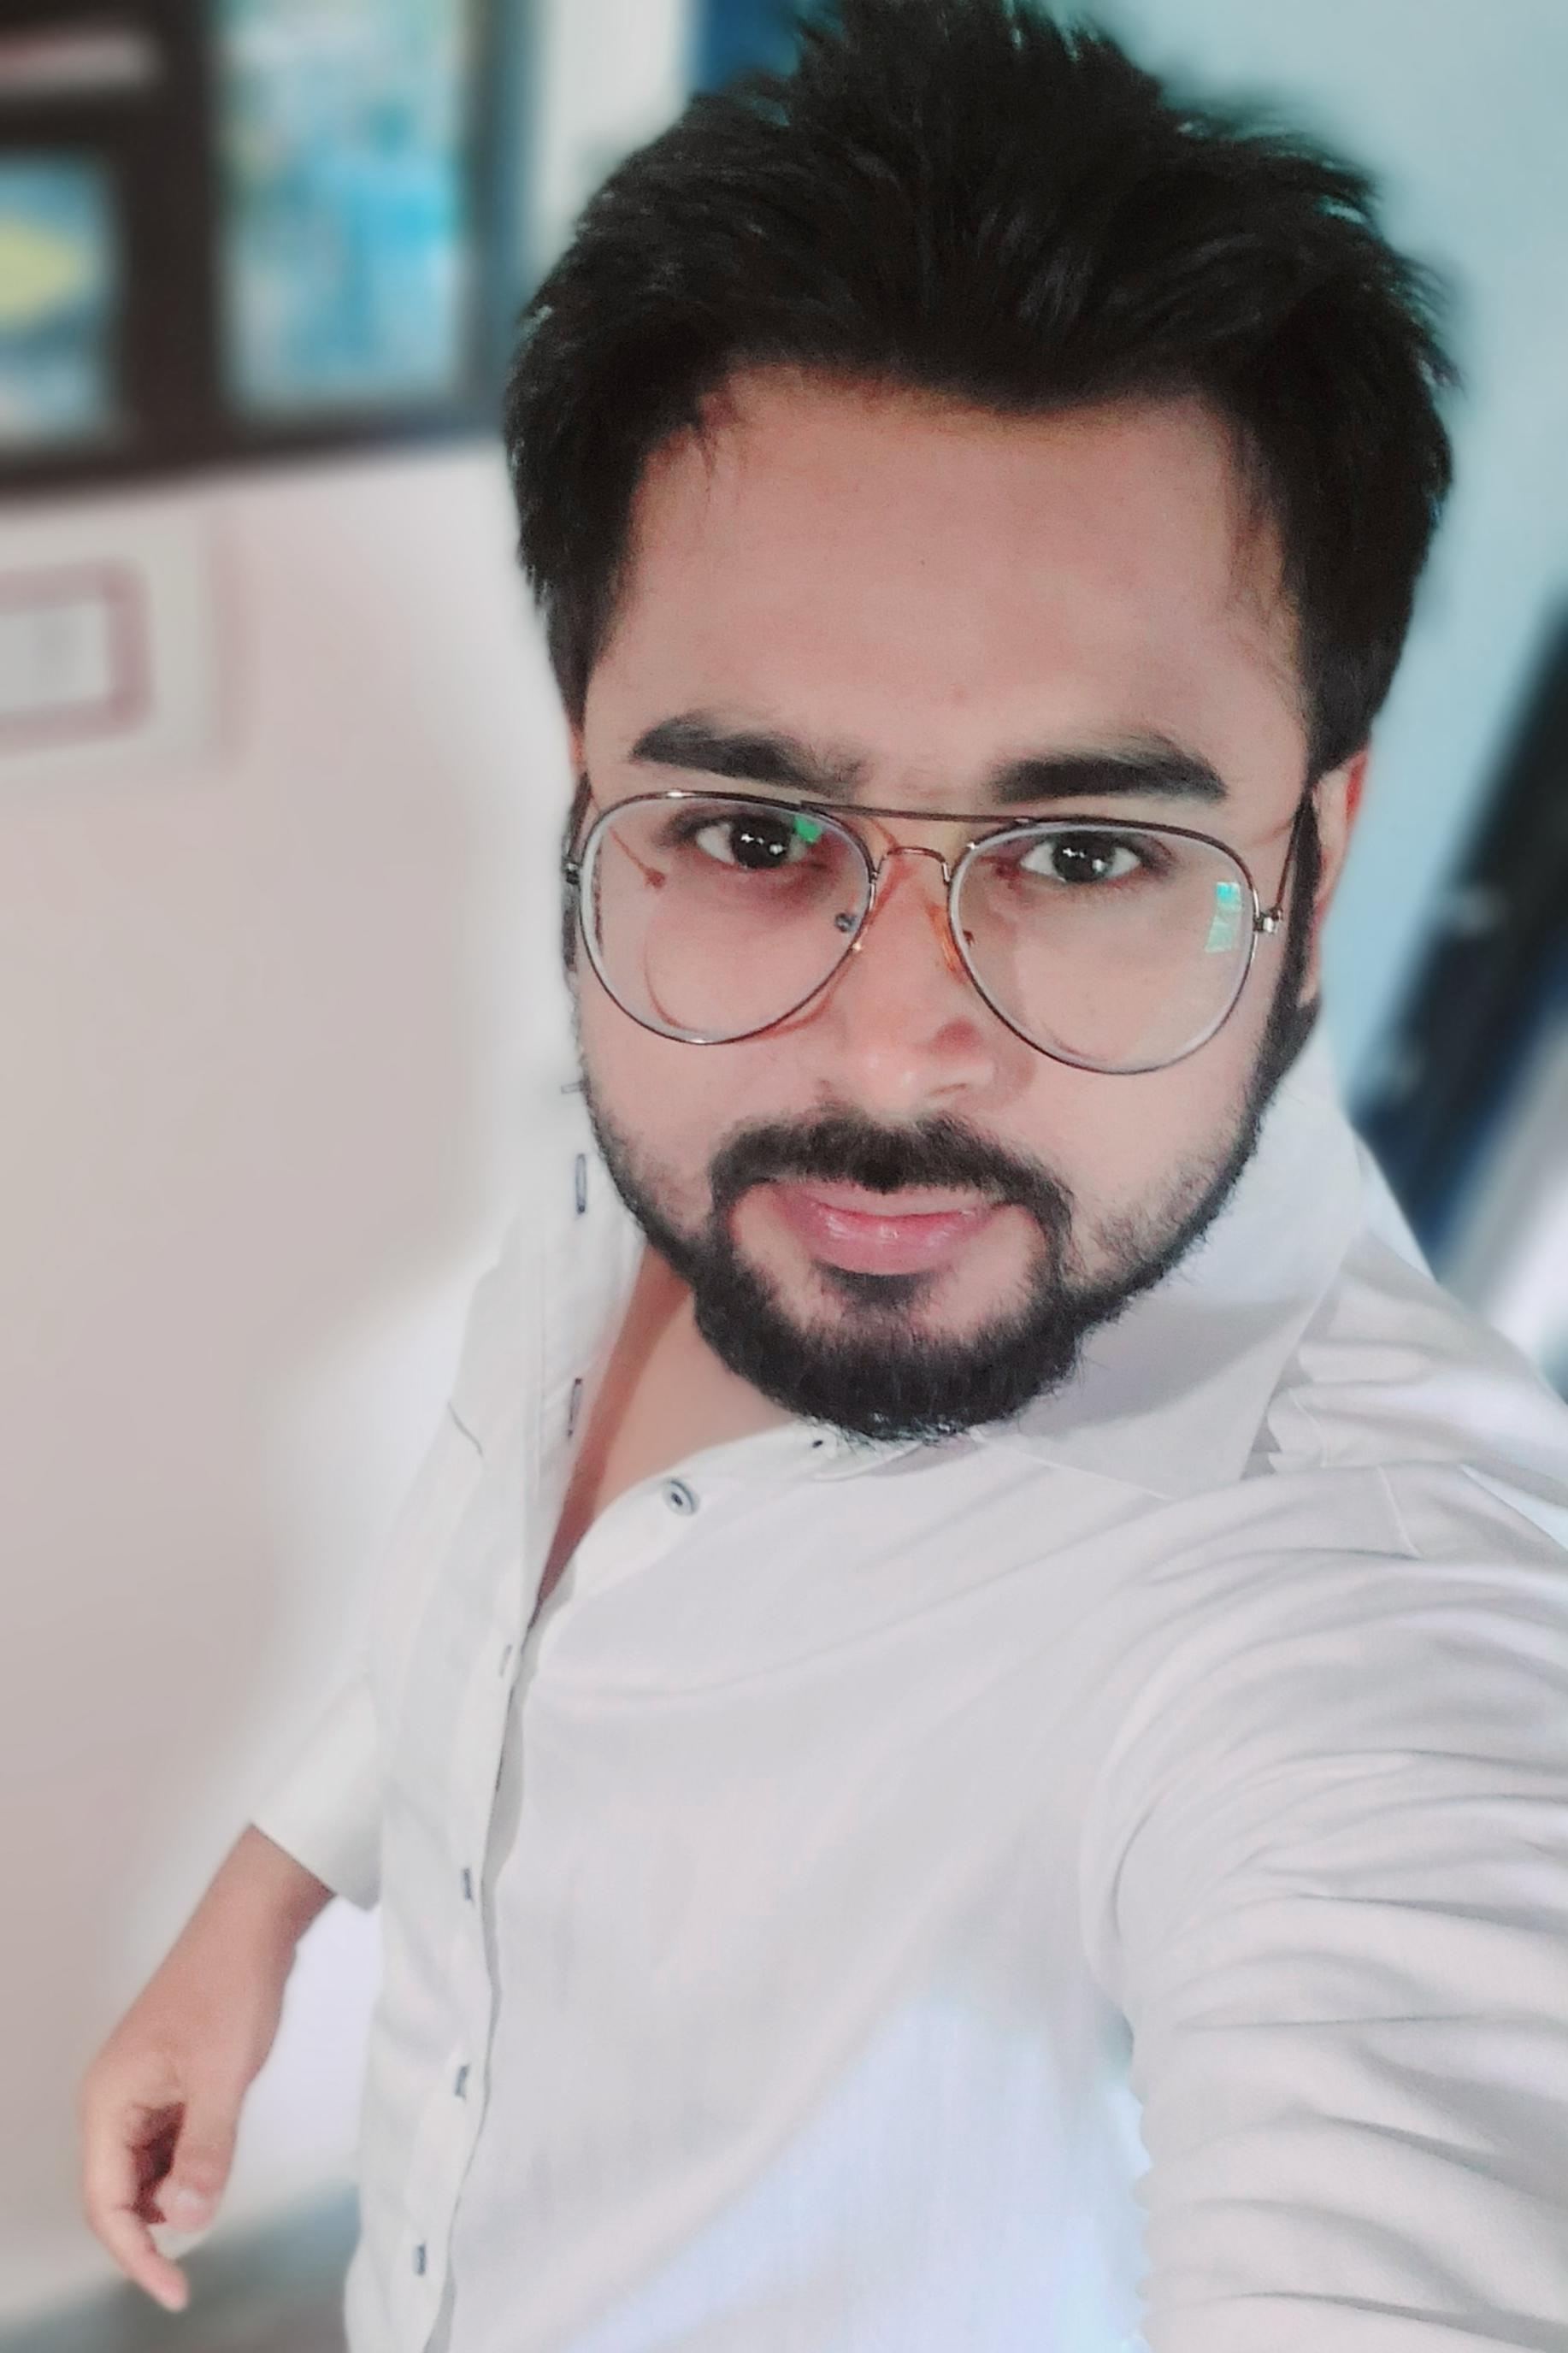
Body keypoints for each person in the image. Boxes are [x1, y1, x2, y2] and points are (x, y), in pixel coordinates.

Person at [78, 4, 1568, 2347]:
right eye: (758, 828)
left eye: (1086, 851)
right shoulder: (655, 1109)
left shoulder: (1363, 1609)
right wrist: (259, 1904)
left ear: (1320, 854)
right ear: (593, 785)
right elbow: (501, 1560)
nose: (886, 1052)